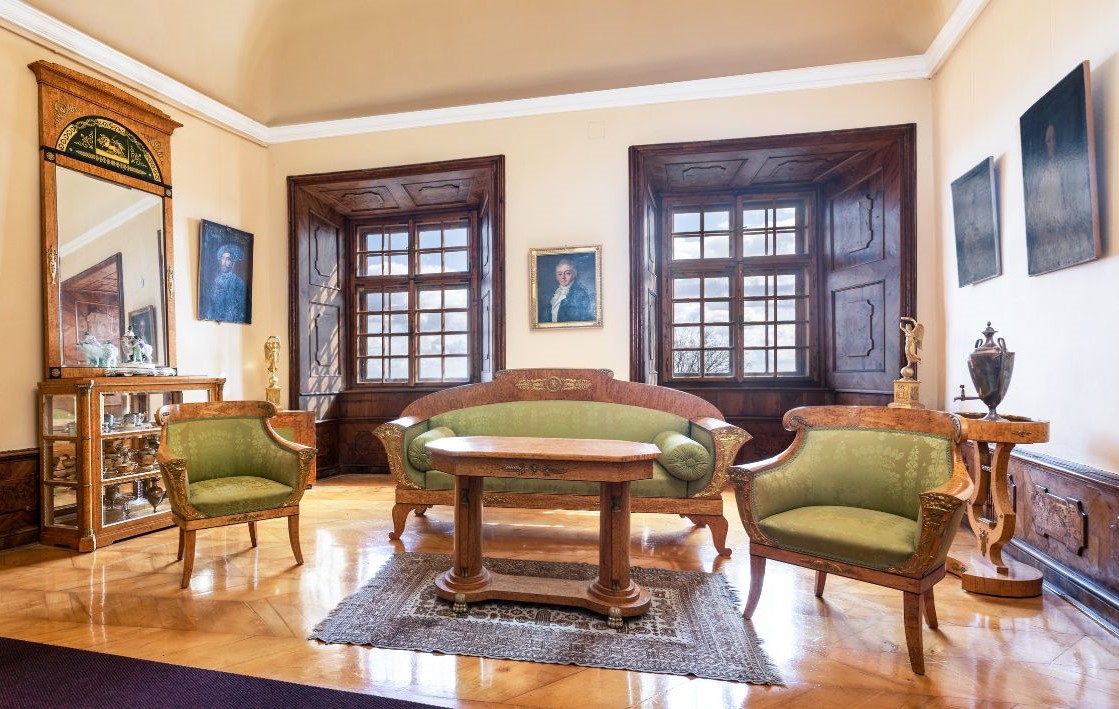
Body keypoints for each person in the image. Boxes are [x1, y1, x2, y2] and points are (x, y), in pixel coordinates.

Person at [540, 258, 594, 323]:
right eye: (560, 274)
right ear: (556, 276)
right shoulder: (554, 294)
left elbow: (580, 320)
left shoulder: (580, 294)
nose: (563, 277)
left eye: (567, 273)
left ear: (574, 274)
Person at [205, 246, 248, 321]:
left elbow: (240, 311)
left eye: (228, 259)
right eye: (223, 258)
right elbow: (211, 305)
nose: (224, 262)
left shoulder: (239, 283)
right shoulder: (216, 281)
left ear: (233, 262)